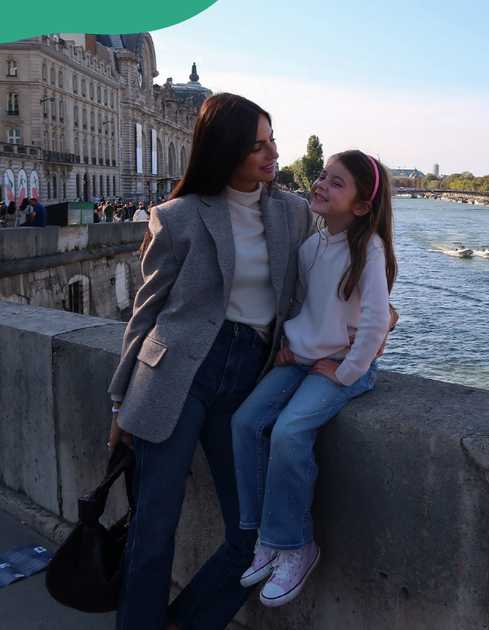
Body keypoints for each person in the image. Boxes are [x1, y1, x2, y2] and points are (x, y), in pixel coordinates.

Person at [107, 93, 316, 630]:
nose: (272, 156)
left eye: (273, 142)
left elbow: (326, 281)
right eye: (257, 147)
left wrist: (375, 315)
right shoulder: (177, 217)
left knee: (250, 533)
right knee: (153, 527)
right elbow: (146, 311)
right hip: (178, 371)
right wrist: (120, 402)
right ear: (225, 151)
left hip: (250, 375)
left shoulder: (294, 213)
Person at [231, 150, 396, 607]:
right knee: (245, 424)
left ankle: (297, 544)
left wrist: (345, 371)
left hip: (341, 369)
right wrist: (289, 341)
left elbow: (376, 321)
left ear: (361, 206)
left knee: (288, 431)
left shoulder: (370, 249)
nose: (321, 184)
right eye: (323, 176)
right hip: (302, 360)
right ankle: (265, 533)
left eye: (336, 182)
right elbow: (304, 306)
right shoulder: (312, 245)